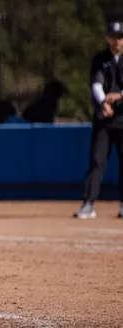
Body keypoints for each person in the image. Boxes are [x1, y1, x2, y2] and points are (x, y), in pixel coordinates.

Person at [75, 20, 123, 219]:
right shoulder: (101, 59)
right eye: (114, 37)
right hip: (104, 118)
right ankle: (89, 203)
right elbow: (96, 83)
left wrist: (120, 95)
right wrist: (104, 101)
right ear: (107, 38)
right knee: (97, 160)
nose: (117, 42)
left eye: (120, 38)